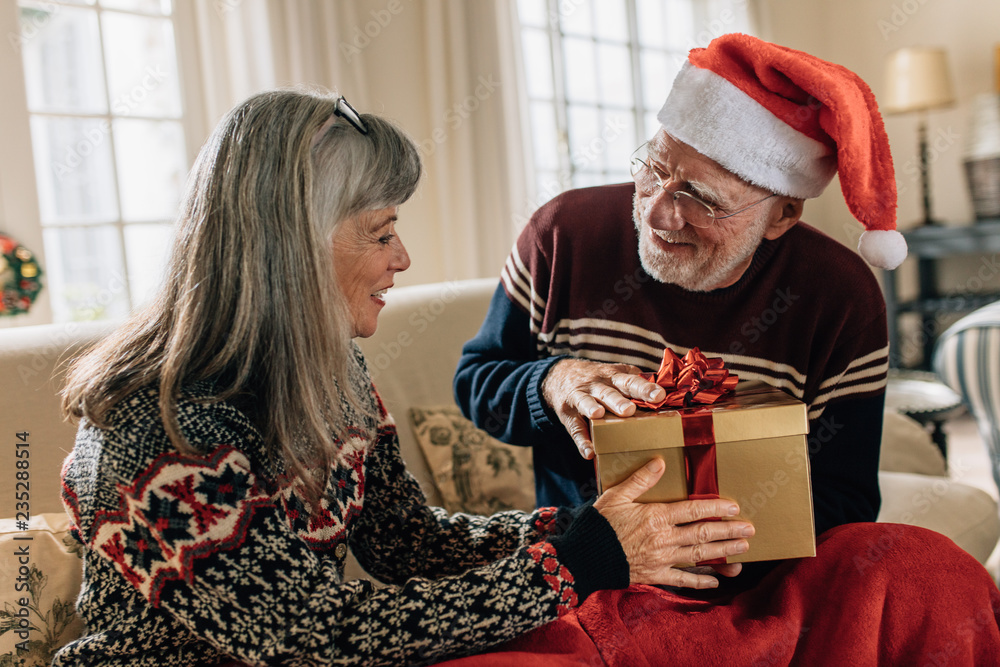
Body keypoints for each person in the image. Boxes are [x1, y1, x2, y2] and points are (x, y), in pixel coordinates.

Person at [53, 89, 758, 667]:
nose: (405, 257)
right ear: (294, 243)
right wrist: (582, 559)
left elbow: (407, 543)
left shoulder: (332, 368)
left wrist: (596, 528)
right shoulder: (154, 424)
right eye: (381, 231)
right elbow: (311, 636)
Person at [454, 33, 907, 543]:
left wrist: (712, 547)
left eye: (701, 199)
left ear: (783, 215)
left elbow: (846, 501)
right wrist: (552, 382)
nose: (655, 212)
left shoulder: (840, 297)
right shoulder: (562, 236)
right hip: (585, 565)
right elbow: (477, 386)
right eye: (653, 168)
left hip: (753, 578)